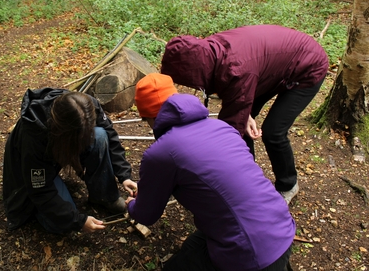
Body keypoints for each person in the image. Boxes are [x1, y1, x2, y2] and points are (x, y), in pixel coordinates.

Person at [126, 73, 296, 271]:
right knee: (192, 248)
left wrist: (132, 205)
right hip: (281, 226)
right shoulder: (221, 126)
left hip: (250, 253)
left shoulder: (161, 153)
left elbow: (146, 215)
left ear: (149, 117)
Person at [160, 24, 329, 204]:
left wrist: (212, 164)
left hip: (307, 67)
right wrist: (244, 113)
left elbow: (230, 129)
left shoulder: (236, 69)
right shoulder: (210, 53)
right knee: (243, 121)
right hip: (269, 67)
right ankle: (246, 176)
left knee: (273, 132)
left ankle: (287, 185)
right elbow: (235, 99)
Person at [3, 88, 137, 234]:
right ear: (64, 135)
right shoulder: (34, 137)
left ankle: (104, 197)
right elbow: (40, 190)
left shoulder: (86, 106)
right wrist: (78, 221)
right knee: (60, 224)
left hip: (56, 150)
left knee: (99, 136)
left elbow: (110, 136)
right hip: (34, 172)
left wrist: (124, 175)